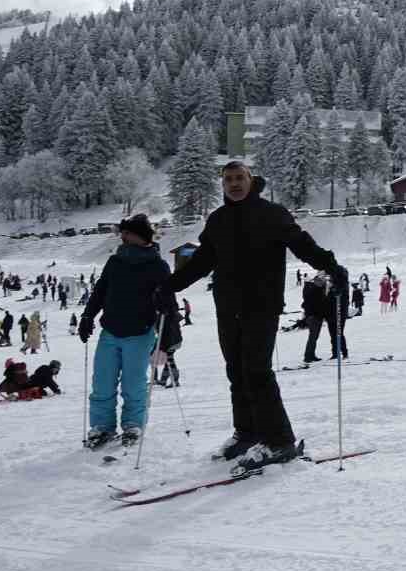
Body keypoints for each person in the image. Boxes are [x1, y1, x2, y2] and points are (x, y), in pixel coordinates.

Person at [165, 162, 344, 467]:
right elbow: (201, 262)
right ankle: (246, 433)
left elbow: (301, 244)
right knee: (236, 371)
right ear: (222, 184)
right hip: (227, 306)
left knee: (257, 372)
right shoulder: (218, 220)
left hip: (261, 305)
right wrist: (168, 286)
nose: (234, 184)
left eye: (239, 178)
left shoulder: (271, 213)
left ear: (251, 181)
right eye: (228, 179)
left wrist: (330, 265)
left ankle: (279, 441)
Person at [81, 213, 181, 449]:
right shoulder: (115, 261)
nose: (122, 236)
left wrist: (167, 339)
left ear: (140, 236)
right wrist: (87, 316)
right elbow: (100, 290)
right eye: (122, 233)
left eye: (127, 233)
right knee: (102, 382)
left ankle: (133, 425)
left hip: (140, 333)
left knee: (133, 384)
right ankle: (102, 427)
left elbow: (169, 305)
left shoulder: (157, 265)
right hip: (110, 331)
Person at [301, 272, 330, 363]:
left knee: (314, 337)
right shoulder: (314, 290)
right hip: (314, 316)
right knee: (313, 337)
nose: (323, 283)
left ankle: (311, 355)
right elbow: (316, 303)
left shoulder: (316, 289)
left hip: (316, 316)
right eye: (322, 281)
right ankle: (308, 356)